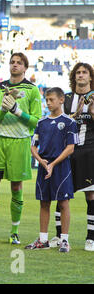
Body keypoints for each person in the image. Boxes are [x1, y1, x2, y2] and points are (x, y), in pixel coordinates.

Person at [0, 52, 42, 244]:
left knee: (16, 186)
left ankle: (14, 231)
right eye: (12, 62)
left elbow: (35, 121)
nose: (15, 65)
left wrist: (17, 111)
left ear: (25, 68)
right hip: (0, 141)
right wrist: (3, 109)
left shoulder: (32, 90)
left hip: (20, 142)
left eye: (19, 63)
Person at [27, 87, 78, 252]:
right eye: (46, 100)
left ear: (61, 100)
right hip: (44, 165)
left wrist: (53, 164)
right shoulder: (41, 123)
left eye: (51, 100)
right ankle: (43, 240)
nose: (48, 103)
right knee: (44, 202)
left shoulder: (70, 122)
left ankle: (64, 240)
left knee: (63, 203)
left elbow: (70, 148)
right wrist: (41, 161)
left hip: (61, 166)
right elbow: (33, 146)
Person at [53, 63, 94, 252]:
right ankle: (59, 236)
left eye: (84, 72)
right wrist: (75, 114)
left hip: (89, 150)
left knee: (91, 194)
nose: (81, 75)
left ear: (90, 77)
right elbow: (58, 121)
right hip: (67, 150)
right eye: (78, 72)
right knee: (61, 194)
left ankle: (91, 238)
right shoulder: (67, 98)